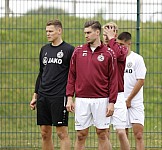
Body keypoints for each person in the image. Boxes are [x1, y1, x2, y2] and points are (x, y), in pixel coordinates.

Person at [66, 20, 118, 150]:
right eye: (85, 33)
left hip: (102, 99)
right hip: (82, 99)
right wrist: (69, 97)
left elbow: (113, 80)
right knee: (80, 135)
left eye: (89, 32)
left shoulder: (109, 53)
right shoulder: (78, 51)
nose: (86, 35)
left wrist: (112, 102)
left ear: (97, 32)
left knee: (102, 134)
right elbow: (71, 76)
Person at [29, 19, 74, 150]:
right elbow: (41, 73)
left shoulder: (69, 50)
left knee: (61, 133)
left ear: (59, 31)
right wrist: (35, 96)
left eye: (51, 31)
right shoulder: (44, 50)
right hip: (43, 96)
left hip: (59, 96)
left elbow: (73, 76)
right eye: (46, 31)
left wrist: (70, 97)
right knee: (44, 132)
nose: (48, 34)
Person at [117, 32, 147, 150]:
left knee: (138, 134)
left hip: (135, 102)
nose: (119, 46)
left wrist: (129, 99)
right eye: (117, 44)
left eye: (121, 44)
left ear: (129, 44)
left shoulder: (137, 59)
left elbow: (140, 81)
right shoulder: (117, 59)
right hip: (120, 101)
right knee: (123, 134)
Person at [103, 22, 130, 150]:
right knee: (103, 133)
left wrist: (112, 40)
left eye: (109, 33)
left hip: (118, 95)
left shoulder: (122, 49)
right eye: (104, 34)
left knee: (120, 131)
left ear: (115, 34)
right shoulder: (100, 50)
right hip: (102, 95)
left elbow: (118, 55)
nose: (106, 36)